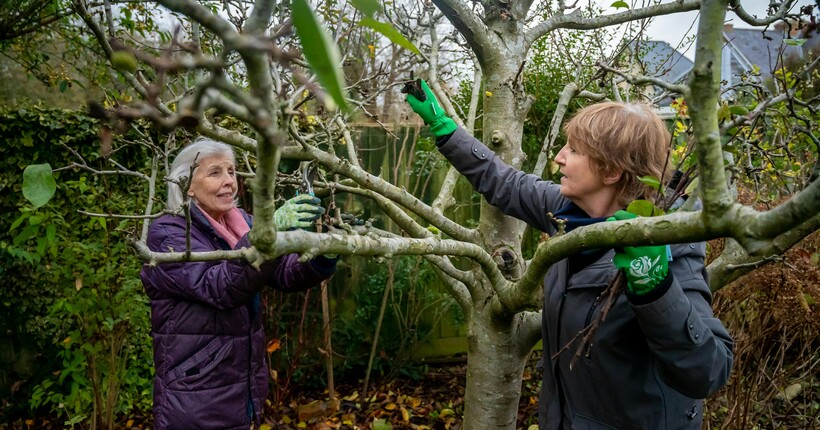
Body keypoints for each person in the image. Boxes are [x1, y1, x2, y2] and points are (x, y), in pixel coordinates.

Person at [404, 80, 734, 429]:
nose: (559, 156)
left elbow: (708, 371)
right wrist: (444, 129)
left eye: (574, 150)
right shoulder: (568, 211)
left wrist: (654, 285)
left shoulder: (669, 245)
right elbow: (504, 182)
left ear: (610, 170)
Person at [139, 138, 338, 429]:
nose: (229, 181)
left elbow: (283, 272)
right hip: (196, 393)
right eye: (215, 172)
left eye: (231, 171)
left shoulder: (240, 223)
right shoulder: (168, 235)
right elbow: (220, 287)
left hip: (241, 386)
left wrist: (325, 254)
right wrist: (265, 231)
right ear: (187, 186)